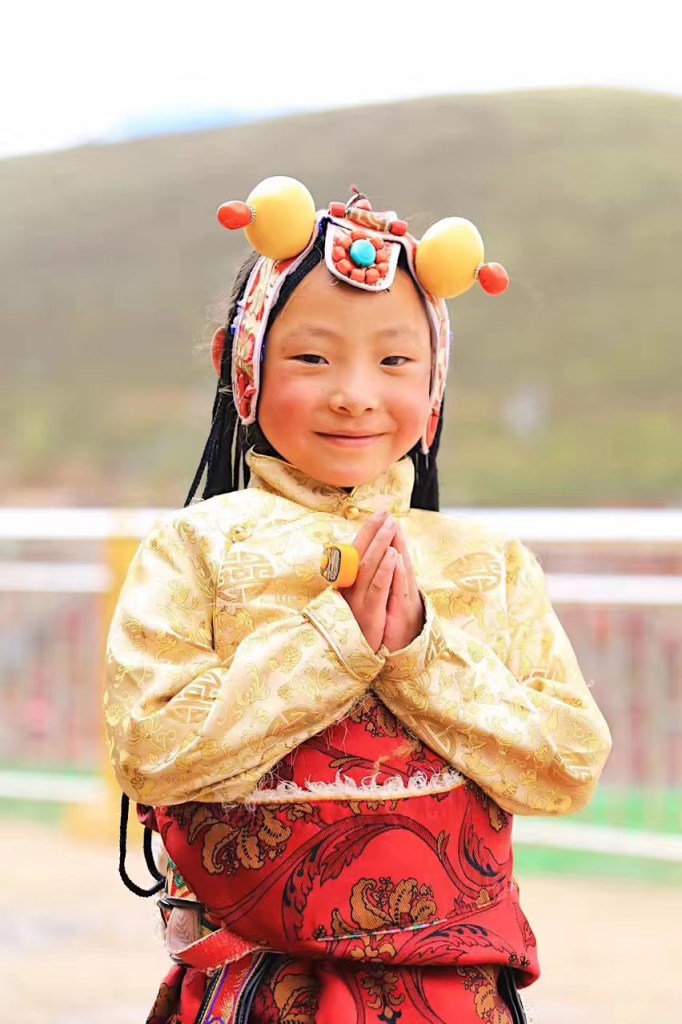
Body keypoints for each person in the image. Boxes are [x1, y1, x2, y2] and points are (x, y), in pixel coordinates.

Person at [104, 176, 612, 1024]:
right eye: (313, 358)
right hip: (263, 990)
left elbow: (568, 764)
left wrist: (419, 651)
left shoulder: (487, 565)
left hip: (455, 998)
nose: (355, 392)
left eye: (394, 361)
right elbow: (149, 752)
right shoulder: (193, 548)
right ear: (246, 371)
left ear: (434, 385)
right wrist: (332, 642)